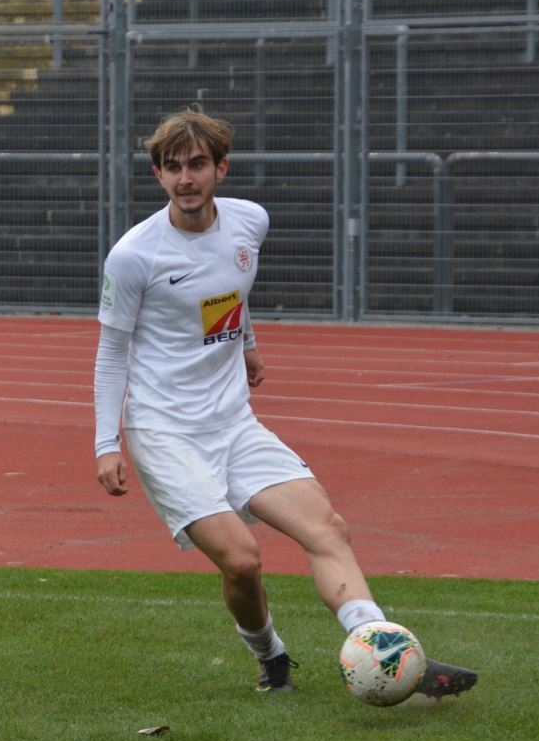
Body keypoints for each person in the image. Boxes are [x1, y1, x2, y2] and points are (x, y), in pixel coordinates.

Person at [93, 107, 477, 699]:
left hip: (233, 423)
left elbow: (230, 291)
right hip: (165, 434)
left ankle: (383, 647)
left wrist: (246, 343)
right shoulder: (133, 255)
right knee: (243, 561)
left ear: (221, 168)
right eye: (173, 168)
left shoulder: (250, 221)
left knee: (328, 529)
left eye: (197, 165)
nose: (186, 179)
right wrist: (105, 443)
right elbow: (111, 352)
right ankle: (271, 659)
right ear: (158, 175)